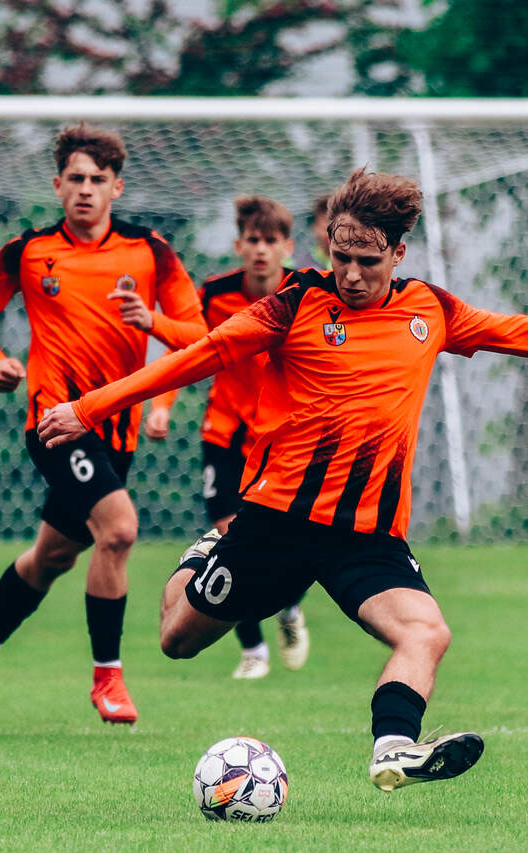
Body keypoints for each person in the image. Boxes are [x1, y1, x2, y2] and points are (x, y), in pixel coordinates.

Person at [38, 167, 528, 791]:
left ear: (398, 254)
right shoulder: (291, 306)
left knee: (426, 631)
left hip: (367, 536)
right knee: (176, 640)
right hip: (277, 525)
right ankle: (207, 551)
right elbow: (196, 357)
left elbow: (514, 331)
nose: (349, 273)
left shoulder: (430, 309)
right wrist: (89, 409)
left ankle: (393, 748)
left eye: (367, 261)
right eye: (340, 255)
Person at [0, 123, 206, 727]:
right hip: (55, 422)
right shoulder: (30, 250)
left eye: (97, 179)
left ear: (117, 187)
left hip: (116, 433)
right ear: (57, 185)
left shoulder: (149, 252)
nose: (85, 189)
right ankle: (108, 678)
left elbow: (200, 335)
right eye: (75, 178)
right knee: (119, 530)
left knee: (52, 558)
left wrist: (153, 323)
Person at [150, 196, 312, 680]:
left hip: (283, 439)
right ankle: (254, 650)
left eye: (271, 241)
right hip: (224, 431)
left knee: (292, 544)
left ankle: (288, 607)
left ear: (287, 247)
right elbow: (187, 352)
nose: (261, 250)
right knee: (229, 536)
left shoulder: (306, 293)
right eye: (253, 240)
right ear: (239, 246)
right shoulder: (216, 293)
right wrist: (161, 407)